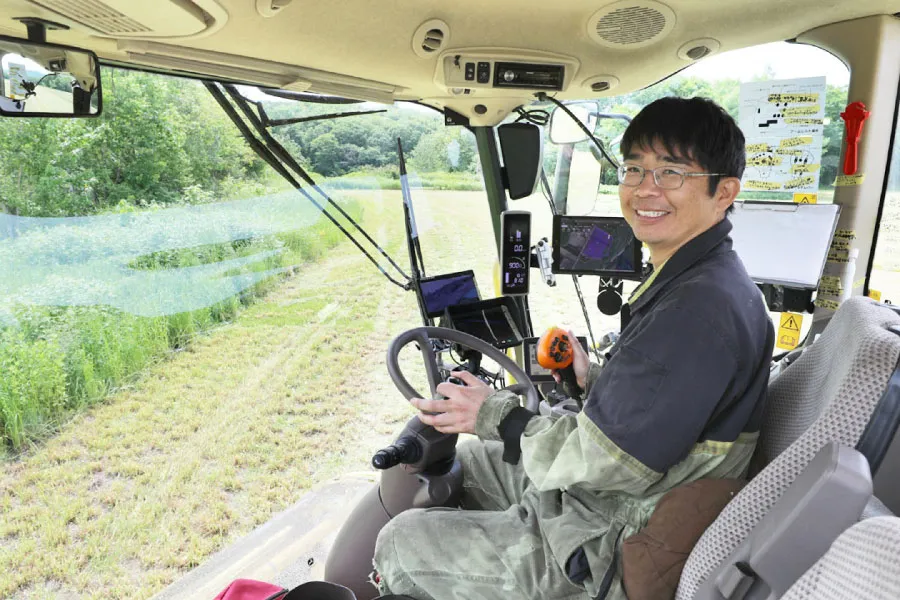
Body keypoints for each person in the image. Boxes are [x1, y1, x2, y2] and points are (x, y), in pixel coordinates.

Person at [372, 97, 775, 600]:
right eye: (634, 169)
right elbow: (664, 405)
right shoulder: (700, 281)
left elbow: (612, 462)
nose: (646, 189)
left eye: (672, 172)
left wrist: (495, 414)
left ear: (724, 191)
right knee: (473, 464)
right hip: (630, 499)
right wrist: (592, 377)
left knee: (401, 540)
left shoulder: (696, 309)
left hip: (618, 538)